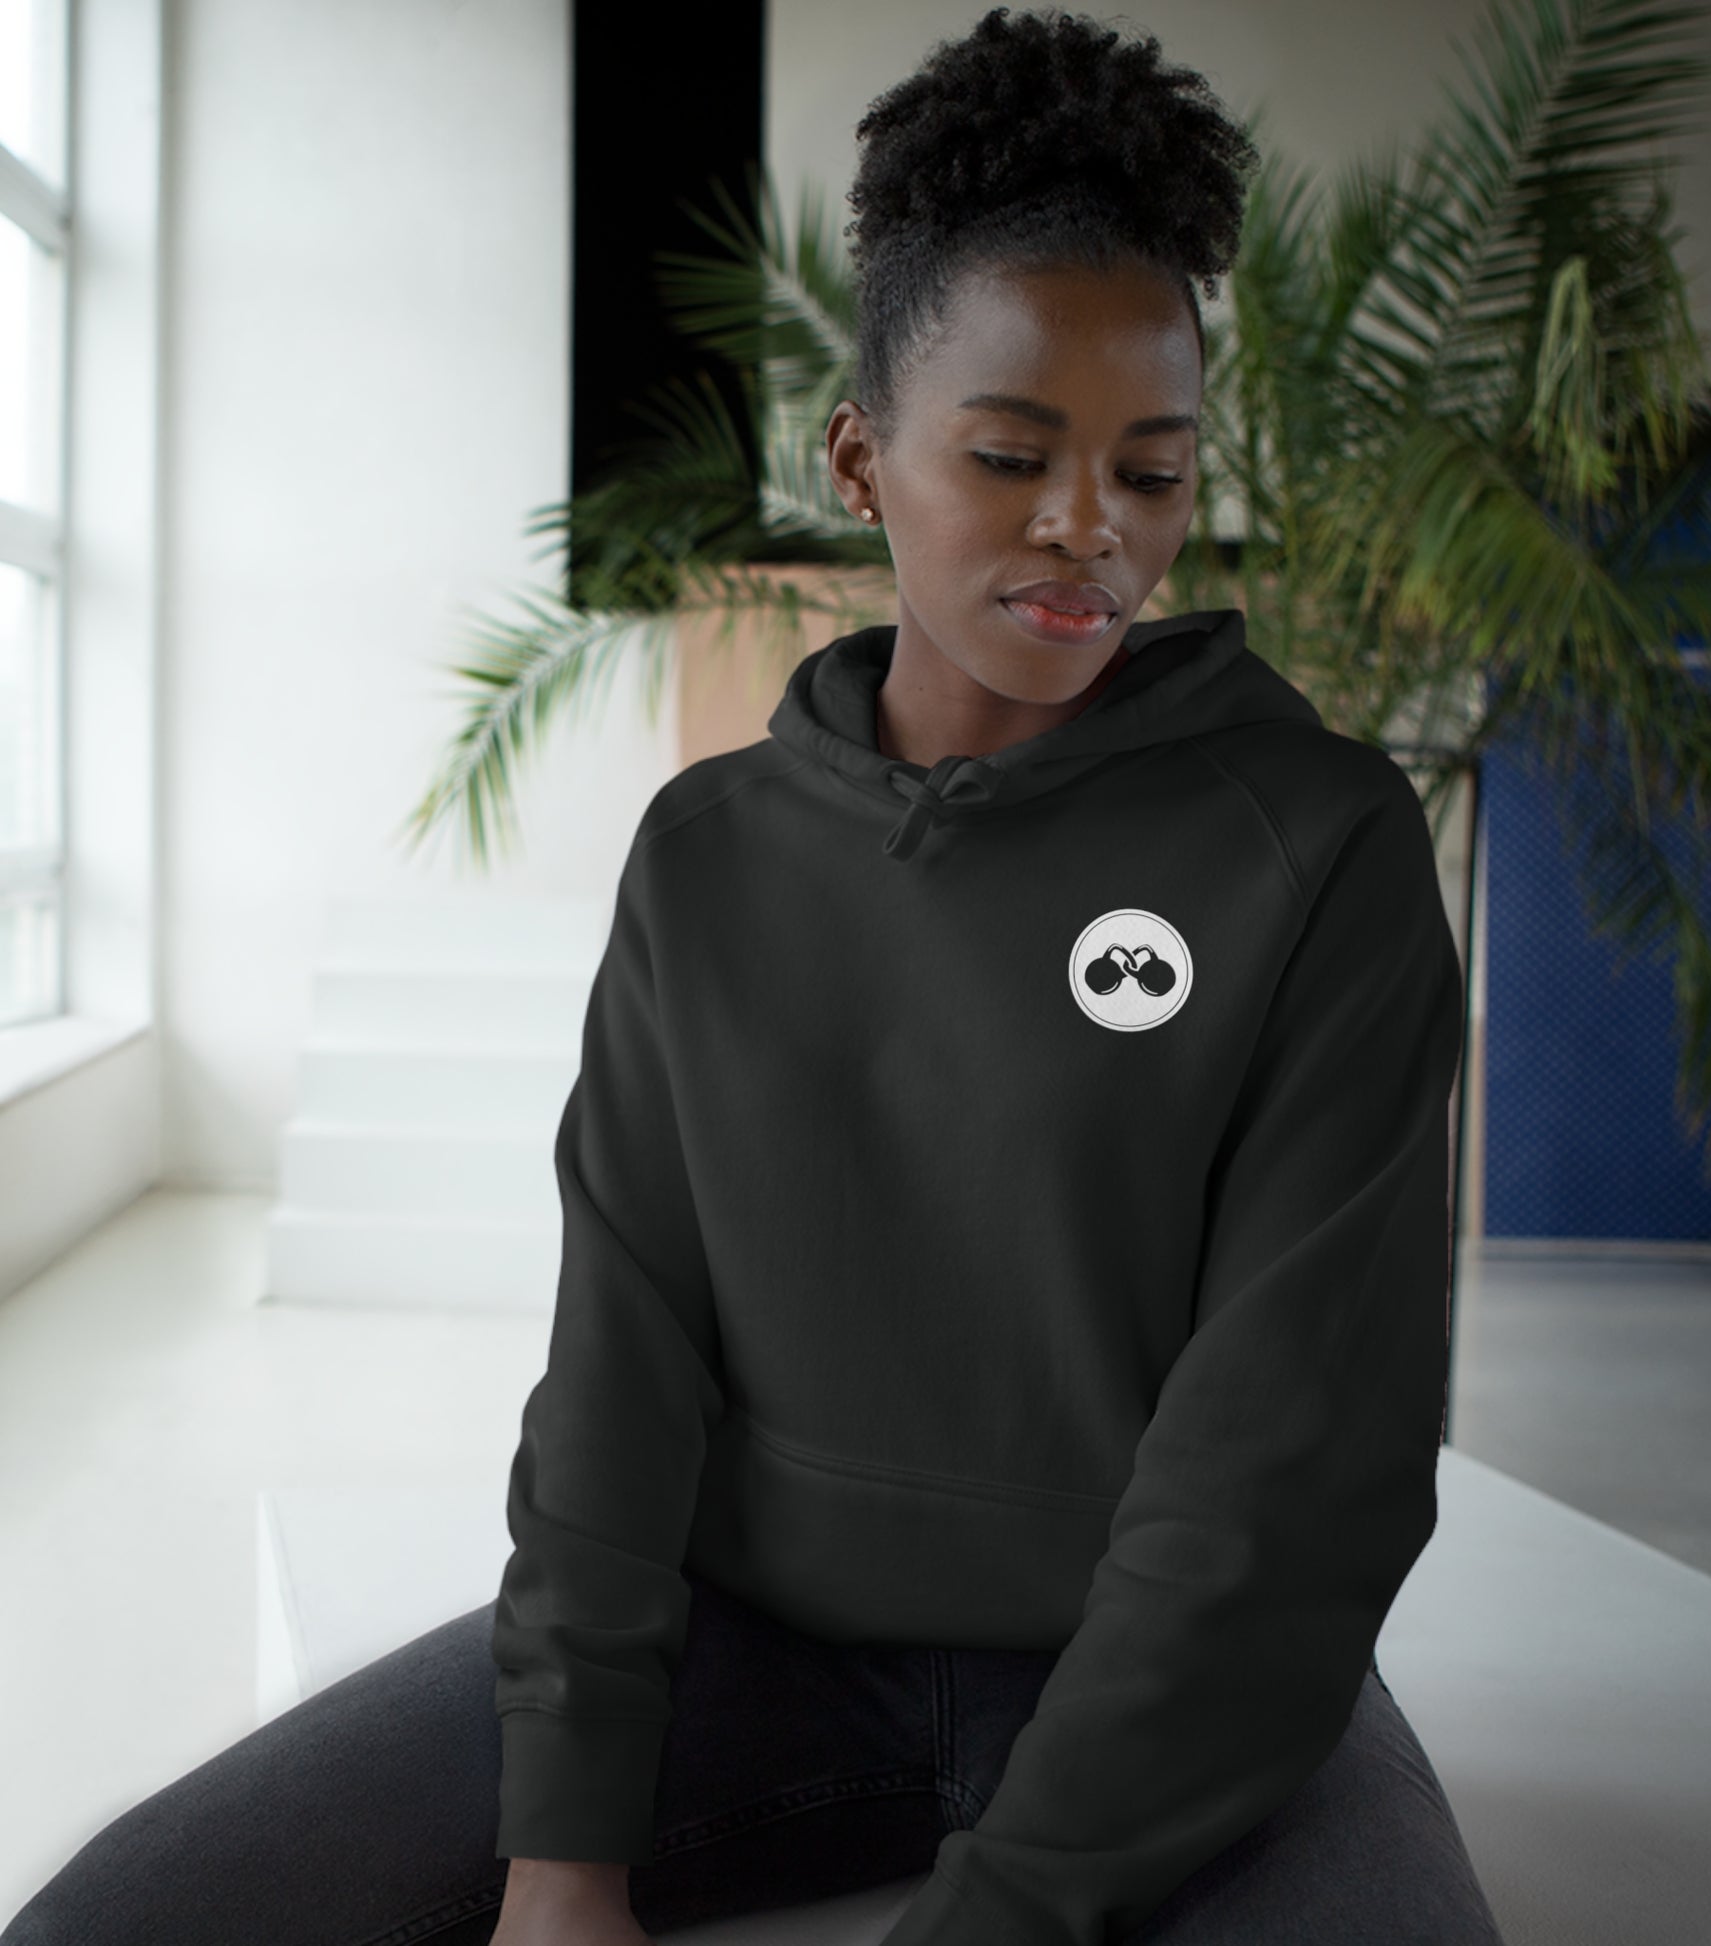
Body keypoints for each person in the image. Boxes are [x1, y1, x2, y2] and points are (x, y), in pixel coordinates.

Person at [1, 9, 1506, 1945]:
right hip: (754, 1658)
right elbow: (620, 1367)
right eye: (1011, 454)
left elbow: (1290, 1459)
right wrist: (563, 1856)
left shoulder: (1315, 845)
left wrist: (1005, 1909)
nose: (1091, 528)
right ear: (859, 458)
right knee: (117, 1921)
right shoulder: (709, 857)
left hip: (1179, 1685)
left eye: (1152, 469)